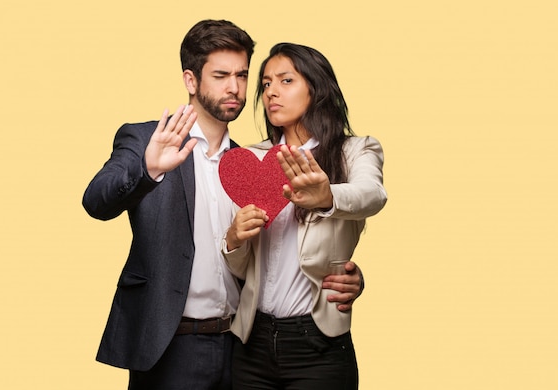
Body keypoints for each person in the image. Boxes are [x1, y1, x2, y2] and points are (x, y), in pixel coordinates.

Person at [82, 21, 364, 390]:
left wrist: (343, 274)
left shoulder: (253, 163)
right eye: (220, 75)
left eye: (243, 75)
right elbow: (96, 201)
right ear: (191, 80)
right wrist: (148, 170)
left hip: (244, 346)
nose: (234, 87)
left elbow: (281, 252)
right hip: (169, 345)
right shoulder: (148, 139)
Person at [223, 43, 388, 389]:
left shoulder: (353, 151)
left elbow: (372, 195)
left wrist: (327, 196)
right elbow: (243, 270)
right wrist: (234, 240)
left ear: (316, 89)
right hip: (251, 343)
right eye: (266, 84)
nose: (271, 93)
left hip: (318, 346)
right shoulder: (251, 161)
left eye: (286, 81)